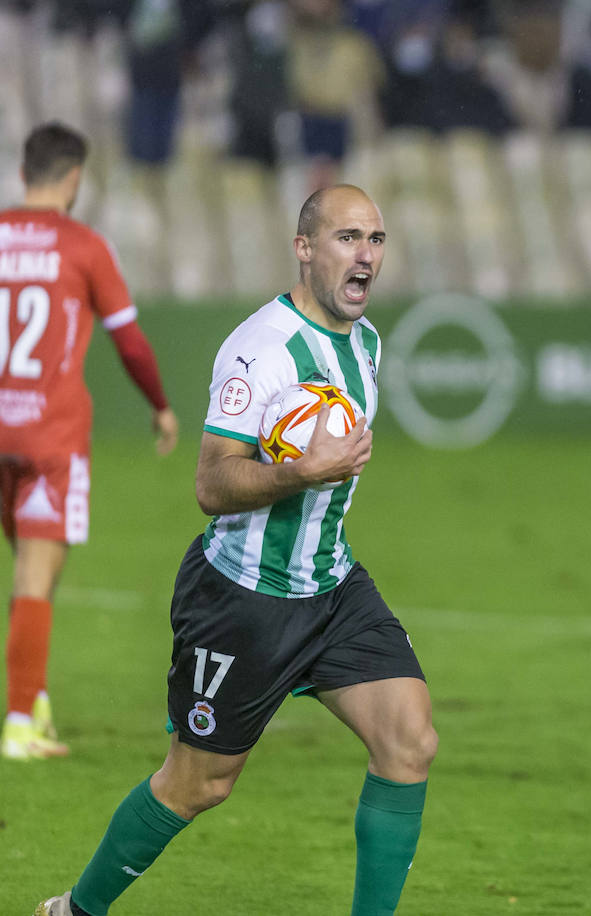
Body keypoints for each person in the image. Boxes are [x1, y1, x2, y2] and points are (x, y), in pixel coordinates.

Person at [37, 185, 437, 916]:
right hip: (243, 599)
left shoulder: (367, 342)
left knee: (410, 740)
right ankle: (76, 910)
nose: (368, 256)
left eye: (376, 240)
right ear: (304, 247)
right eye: (349, 238)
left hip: (331, 583)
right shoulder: (260, 349)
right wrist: (303, 470)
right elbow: (212, 485)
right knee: (198, 785)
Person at [1, 122, 178, 762]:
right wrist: (160, 406)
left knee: (28, 571)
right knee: (35, 575)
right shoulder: (84, 246)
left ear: (25, 173)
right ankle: (19, 721)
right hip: (50, 437)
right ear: (74, 178)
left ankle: (34, 696)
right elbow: (128, 341)